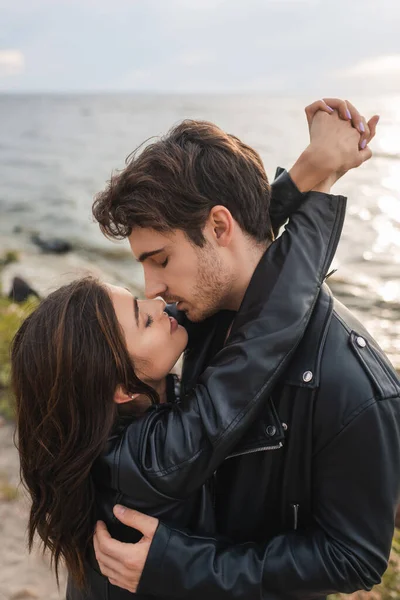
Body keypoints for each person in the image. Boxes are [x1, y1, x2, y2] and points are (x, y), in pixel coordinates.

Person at [12, 104, 349, 599]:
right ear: (121, 387)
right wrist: (317, 195)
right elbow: (262, 340)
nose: (159, 300)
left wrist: (304, 175)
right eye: (142, 317)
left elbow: (224, 252)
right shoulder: (151, 460)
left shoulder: (106, 435)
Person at [92, 99, 400, 600]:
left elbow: (354, 557)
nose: (152, 289)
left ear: (218, 227)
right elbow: (254, 243)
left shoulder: (356, 385)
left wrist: (190, 568)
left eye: (161, 259)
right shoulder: (203, 314)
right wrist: (312, 170)